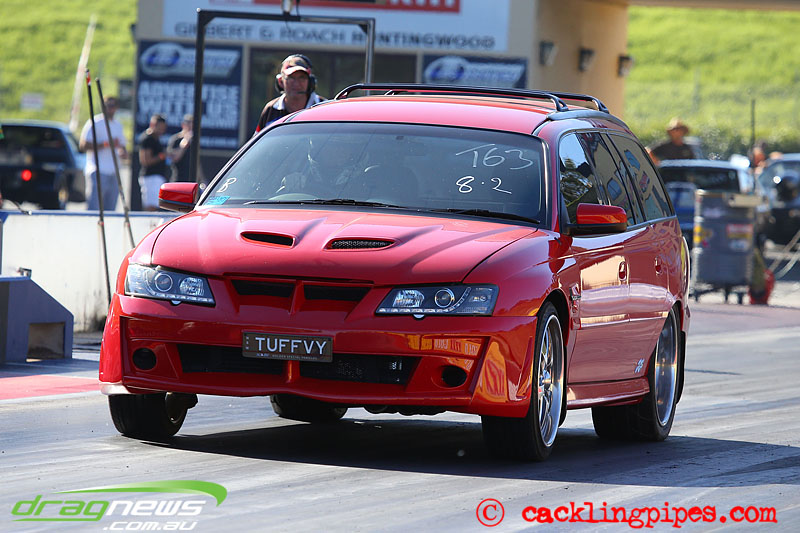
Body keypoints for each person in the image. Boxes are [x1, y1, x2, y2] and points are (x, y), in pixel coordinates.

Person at [253, 54, 325, 134]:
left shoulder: (324, 107)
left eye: (302, 78)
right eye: (291, 78)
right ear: (280, 81)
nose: (296, 84)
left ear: (311, 82)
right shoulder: (270, 109)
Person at [79, 96, 128, 211]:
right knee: (94, 207)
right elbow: (83, 145)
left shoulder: (118, 125)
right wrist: (105, 144)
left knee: (110, 209)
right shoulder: (95, 122)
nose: (110, 109)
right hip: (98, 169)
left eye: (112, 106)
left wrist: (123, 153)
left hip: (114, 171)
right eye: (107, 106)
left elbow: (122, 146)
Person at [138, 114, 169, 211]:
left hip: (157, 176)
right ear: (152, 125)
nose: (161, 130)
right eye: (159, 127)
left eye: (163, 128)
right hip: (150, 177)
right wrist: (162, 156)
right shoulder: (148, 139)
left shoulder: (156, 139)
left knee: (156, 205)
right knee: (151, 205)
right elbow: (145, 160)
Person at [166, 114, 201, 183]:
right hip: (178, 179)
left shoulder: (194, 141)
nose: (191, 129)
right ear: (183, 125)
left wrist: (202, 179)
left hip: (191, 180)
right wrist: (185, 141)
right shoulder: (175, 139)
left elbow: (197, 163)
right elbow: (174, 158)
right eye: (189, 126)